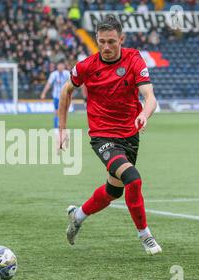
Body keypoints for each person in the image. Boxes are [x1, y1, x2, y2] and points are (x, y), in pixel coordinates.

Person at [58, 15, 162, 255]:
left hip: (130, 134)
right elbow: (66, 92)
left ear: (121, 39)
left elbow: (150, 96)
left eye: (111, 42)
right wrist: (61, 130)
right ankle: (145, 235)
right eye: (101, 41)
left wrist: (145, 114)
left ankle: (78, 215)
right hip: (103, 136)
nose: (105, 47)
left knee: (114, 190)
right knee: (133, 179)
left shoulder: (134, 59)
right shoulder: (86, 66)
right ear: (96, 39)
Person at [40, 61, 69, 129]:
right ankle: (56, 126)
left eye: (62, 65)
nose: (61, 67)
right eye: (59, 66)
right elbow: (48, 84)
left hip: (65, 96)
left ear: (64, 66)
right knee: (56, 111)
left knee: (64, 111)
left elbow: (72, 83)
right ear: (57, 66)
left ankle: (63, 125)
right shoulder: (54, 74)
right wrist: (43, 93)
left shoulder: (67, 73)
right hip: (56, 96)